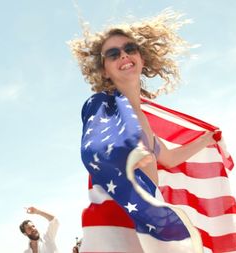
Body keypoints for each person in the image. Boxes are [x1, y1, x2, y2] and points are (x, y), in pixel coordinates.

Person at [69, 10, 218, 252]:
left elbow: (169, 158)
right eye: (113, 54)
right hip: (122, 216)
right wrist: (129, 152)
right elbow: (95, 148)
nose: (124, 55)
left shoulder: (142, 121)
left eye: (130, 48)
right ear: (104, 70)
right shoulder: (101, 105)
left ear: (142, 58)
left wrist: (205, 140)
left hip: (151, 213)